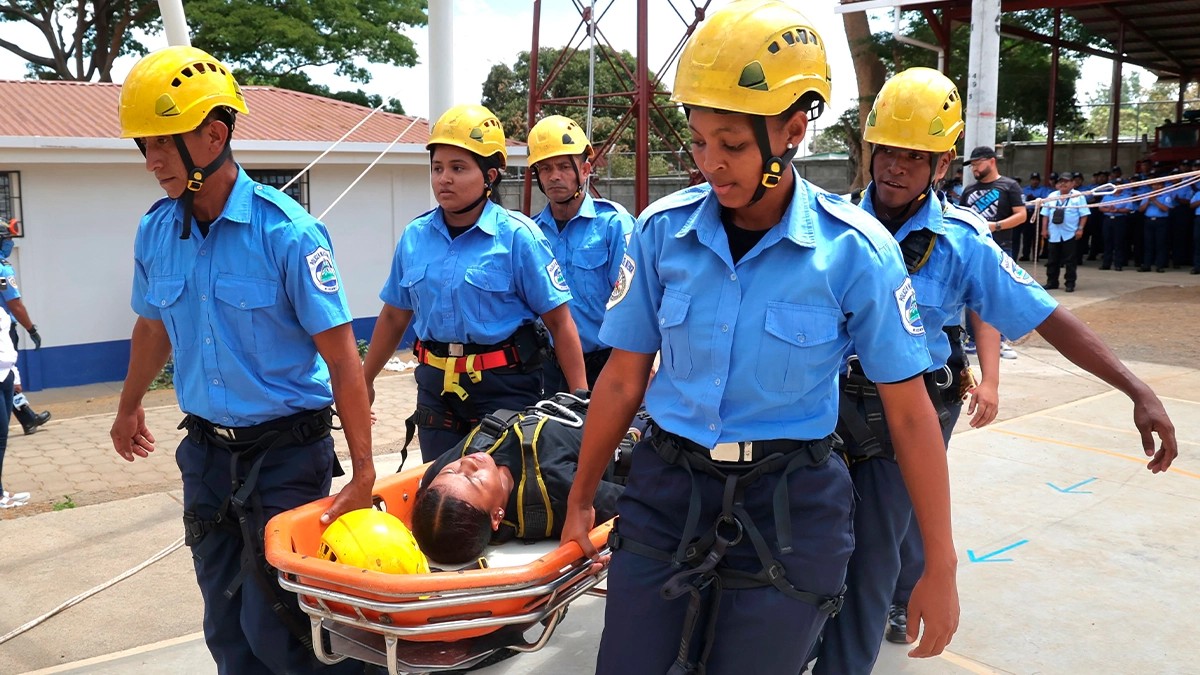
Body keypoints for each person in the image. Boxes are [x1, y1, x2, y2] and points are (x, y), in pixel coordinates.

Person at [561, 5, 960, 673]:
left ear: (794, 129)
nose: (711, 164)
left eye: (734, 144)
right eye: (698, 141)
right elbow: (625, 378)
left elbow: (912, 415)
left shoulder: (856, 252)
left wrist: (939, 565)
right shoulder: (660, 233)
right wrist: (580, 495)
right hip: (667, 489)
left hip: (791, 504)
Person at [812, 67, 1178, 675]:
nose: (894, 166)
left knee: (870, 558)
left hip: (910, 414)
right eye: (886, 152)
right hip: (825, 406)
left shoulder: (963, 243)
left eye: (914, 154)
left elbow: (1048, 317)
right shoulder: (828, 227)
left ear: (942, 161)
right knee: (810, 542)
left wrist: (1136, 387)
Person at [109, 46, 375, 675]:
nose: (150, 163)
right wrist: (127, 406)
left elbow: (342, 359)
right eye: (142, 147)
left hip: (284, 454)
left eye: (160, 146)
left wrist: (363, 472)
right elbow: (152, 327)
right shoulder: (155, 231)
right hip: (205, 455)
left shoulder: (287, 233)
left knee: (279, 624)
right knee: (225, 625)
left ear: (213, 136)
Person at [362, 104, 587, 463]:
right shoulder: (414, 237)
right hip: (436, 390)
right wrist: (366, 379)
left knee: (500, 495)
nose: (443, 179)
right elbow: (393, 316)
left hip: (504, 390)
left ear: (490, 176)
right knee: (440, 493)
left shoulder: (517, 237)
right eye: (437, 168)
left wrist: (578, 400)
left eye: (458, 168)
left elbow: (560, 323)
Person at [411, 393, 635, 564]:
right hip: (628, 421)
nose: (467, 463)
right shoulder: (560, 490)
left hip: (574, 400)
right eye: (474, 480)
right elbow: (634, 503)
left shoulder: (438, 480)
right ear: (497, 516)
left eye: (452, 471)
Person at [526, 115, 635, 393]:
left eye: (564, 166)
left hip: (607, 366)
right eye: (545, 168)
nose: (554, 176)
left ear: (585, 170)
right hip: (548, 370)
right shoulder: (529, 234)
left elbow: (633, 305)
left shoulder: (613, 225)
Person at [961, 146, 1025, 359]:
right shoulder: (969, 190)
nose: (974, 168)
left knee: (998, 294)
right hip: (972, 249)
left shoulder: (1009, 186)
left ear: (991, 161)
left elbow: (1021, 215)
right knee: (972, 295)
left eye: (977, 163)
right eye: (971, 165)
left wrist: (995, 226)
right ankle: (971, 339)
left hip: (1000, 247)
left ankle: (1000, 341)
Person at [0, 222, 51, 435]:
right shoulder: (2, 269)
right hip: (3, 330)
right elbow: (15, 304)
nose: (11, 243)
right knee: (7, 372)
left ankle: (27, 417)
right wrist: (31, 329)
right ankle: (27, 417)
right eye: (7, 239)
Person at [1040, 173, 1089, 292]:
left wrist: (1080, 229)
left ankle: (1070, 283)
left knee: (1070, 260)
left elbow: (1084, 214)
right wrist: (1044, 229)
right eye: (1061, 181)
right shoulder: (1052, 196)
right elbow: (1045, 215)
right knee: (1052, 259)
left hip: (1070, 232)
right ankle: (1052, 282)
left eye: (1066, 181)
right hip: (1054, 232)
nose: (1063, 184)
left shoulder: (1078, 196)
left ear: (1073, 183)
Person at [0, 309, 22, 508]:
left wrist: (15, 376)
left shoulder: (1, 311)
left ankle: (0, 491)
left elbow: (7, 344)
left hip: (6, 375)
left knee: (2, 437)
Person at [1138, 166, 1173, 273]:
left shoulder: (1166, 196)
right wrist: (1149, 200)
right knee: (1148, 243)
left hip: (1161, 221)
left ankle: (1159, 265)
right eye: (1154, 185)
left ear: (1162, 186)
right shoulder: (1147, 195)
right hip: (1149, 220)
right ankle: (1147, 265)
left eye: (1158, 185)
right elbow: (1141, 209)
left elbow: (1165, 209)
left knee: (1160, 243)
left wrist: (1155, 201)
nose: (1156, 187)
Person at [1099, 181, 1134, 271]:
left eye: (1120, 186)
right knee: (1107, 242)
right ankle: (1106, 263)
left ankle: (1118, 264)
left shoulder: (1126, 197)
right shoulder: (1107, 196)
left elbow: (1128, 208)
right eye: (1116, 186)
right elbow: (1100, 207)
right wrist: (1108, 209)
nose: (1118, 188)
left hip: (1120, 219)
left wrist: (1117, 210)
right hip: (1108, 219)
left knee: (1119, 242)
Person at [1017, 172, 1049, 261]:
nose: (1035, 181)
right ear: (1031, 180)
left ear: (1039, 181)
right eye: (1033, 179)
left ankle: (1036, 256)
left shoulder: (1043, 189)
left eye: (1036, 180)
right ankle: (1025, 255)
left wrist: (1034, 198)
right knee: (1026, 235)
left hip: (1038, 212)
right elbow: (1022, 199)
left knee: (1037, 236)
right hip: (1027, 212)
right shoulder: (1025, 189)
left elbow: (1044, 199)